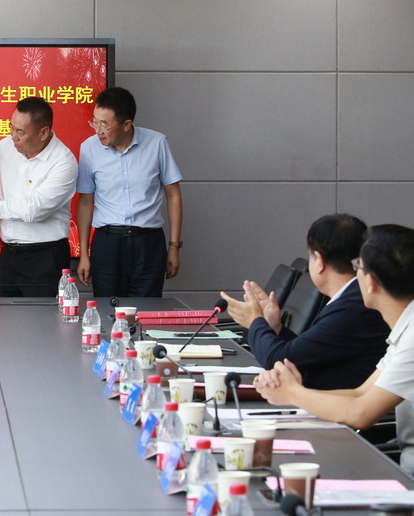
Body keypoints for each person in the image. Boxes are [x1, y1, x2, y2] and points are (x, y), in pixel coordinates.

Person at [254, 224, 414, 473]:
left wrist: (293, 393)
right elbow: (359, 394)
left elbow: (361, 413)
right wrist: (295, 390)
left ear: (371, 282)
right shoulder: (406, 328)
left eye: (358, 266)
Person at [221, 214, 388, 389]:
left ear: (319, 261)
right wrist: (275, 327)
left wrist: (255, 321)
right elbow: (308, 351)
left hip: (335, 403)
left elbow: (278, 360)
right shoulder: (353, 297)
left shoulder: (352, 307)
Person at [75, 86, 183, 298]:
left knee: (147, 308)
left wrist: (174, 246)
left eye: (104, 125)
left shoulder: (157, 143)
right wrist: (84, 254)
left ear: (126, 124)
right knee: (106, 307)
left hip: (148, 243)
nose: (98, 130)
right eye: (95, 122)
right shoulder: (89, 148)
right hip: (107, 243)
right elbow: (86, 201)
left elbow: (173, 195)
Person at [0, 96, 78, 297]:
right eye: (11, 128)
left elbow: (33, 210)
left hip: (44, 258)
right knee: (7, 315)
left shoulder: (63, 162)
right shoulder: (7, 146)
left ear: (43, 132)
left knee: (42, 316)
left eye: (20, 132)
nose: (13, 136)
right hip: (9, 256)